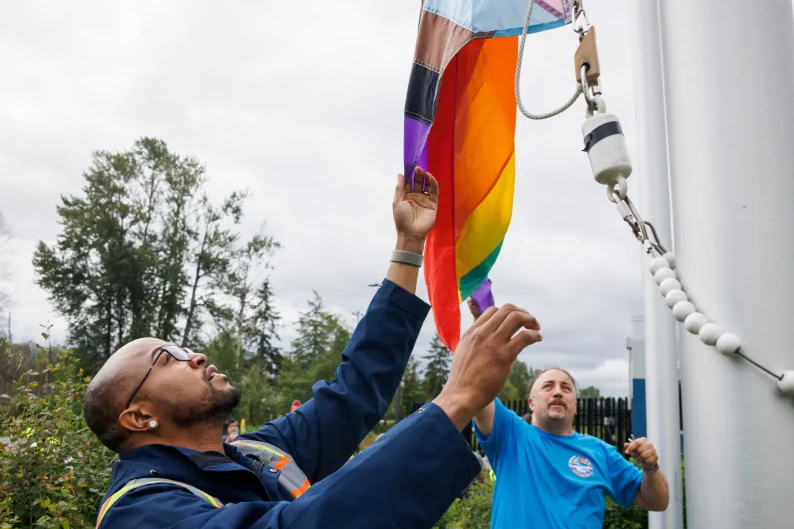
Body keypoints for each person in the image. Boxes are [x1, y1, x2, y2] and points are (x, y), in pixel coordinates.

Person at [83, 168, 545, 529]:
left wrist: (408, 244)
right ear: (139, 417)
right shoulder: (140, 513)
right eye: (169, 359)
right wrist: (456, 400)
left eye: (185, 348)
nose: (196, 356)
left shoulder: (256, 452)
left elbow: (354, 392)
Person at [466, 299, 670, 528]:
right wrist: (483, 323)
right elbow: (476, 386)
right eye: (548, 386)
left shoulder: (600, 452)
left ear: (575, 405)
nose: (557, 392)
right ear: (531, 403)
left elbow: (657, 501)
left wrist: (651, 467)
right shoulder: (510, 434)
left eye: (565, 388)